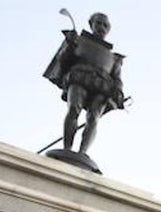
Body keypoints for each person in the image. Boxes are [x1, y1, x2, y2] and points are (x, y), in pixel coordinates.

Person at [43, 12, 126, 156]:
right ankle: (67, 148)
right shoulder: (79, 41)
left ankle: (82, 153)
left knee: (93, 117)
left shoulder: (114, 58)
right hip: (79, 78)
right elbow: (64, 61)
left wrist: (118, 91)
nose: (101, 27)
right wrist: (69, 45)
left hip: (102, 86)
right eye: (98, 23)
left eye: (105, 25)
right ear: (91, 24)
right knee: (74, 109)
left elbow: (117, 78)